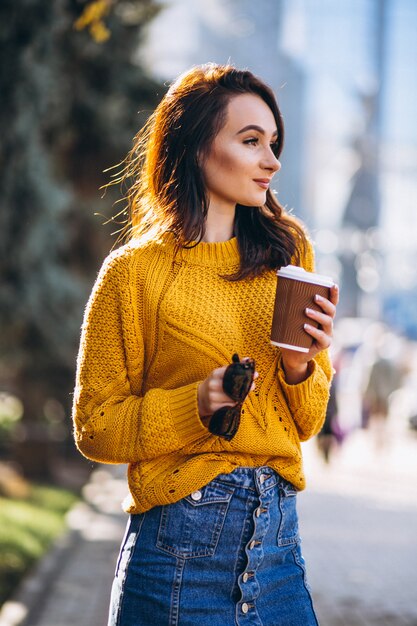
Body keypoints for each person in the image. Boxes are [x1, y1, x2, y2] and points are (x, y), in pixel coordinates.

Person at [72, 63, 338, 626]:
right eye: (250, 141)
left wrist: (298, 368)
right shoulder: (134, 274)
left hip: (279, 551)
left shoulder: (288, 257)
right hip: (177, 555)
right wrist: (196, 404)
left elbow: (308, 422)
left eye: (273, 142)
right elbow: (95, 426)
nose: (272, 160)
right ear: (195, 147)